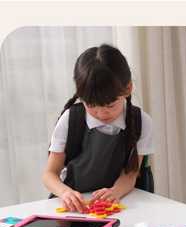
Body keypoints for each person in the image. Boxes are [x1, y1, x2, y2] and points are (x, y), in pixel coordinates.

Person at [42, 44, 154, 213]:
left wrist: (114, 193)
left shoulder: (141, 122)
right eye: (91, 105)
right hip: (74, 206)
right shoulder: (71, 120)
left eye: (110, 105)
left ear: (128, 88)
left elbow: (131, 174)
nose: (101, 113)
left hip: (118, 204)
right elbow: (49, 174)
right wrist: (65, 193)